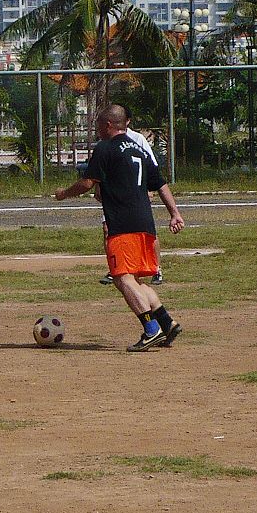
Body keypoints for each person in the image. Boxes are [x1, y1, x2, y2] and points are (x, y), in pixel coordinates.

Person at [55, 105, 184, 352]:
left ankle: (151, 330)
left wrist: (64, 194)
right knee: (134, 280)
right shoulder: (139, 149)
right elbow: (161, 184)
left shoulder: (105, 148)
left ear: (107, 125)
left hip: (123, 224)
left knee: (122, 277)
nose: (97, 131)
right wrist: (175, 213)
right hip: (145, 223)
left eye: (98, 126)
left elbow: (87, 182)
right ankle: (167, 323)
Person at [98, 106, 164, 286]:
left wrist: (149, 189)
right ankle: (116, 266)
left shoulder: (137, 139)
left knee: (145, 232)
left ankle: (155, 267)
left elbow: (152, 168)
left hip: (134, 197)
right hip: (115, 197)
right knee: (108, 230)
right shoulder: (106, 143)